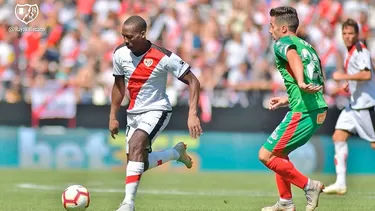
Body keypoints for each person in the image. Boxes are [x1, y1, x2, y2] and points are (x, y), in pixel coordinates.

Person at [109, 15, 202, 211]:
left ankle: (128, 204)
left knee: (136, 145)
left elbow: (193, 81)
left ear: (142, 34)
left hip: (157, 109)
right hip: (133, 113)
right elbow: (118, 86)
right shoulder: (119, 53)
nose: (125, 41)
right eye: (123, 36)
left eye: (130, 37)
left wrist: (192, 113)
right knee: (137, 162)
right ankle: (176, 153)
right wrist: (113, 116)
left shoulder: (163, 56)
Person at [258, 6, 328, 211]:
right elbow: (313, 80)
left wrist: (299, 82)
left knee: (265, 155)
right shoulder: (308, 46)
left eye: (272, 26)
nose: (270, 30)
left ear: (283, 28)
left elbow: (293, 58)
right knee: (279, 154)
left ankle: (309, 186)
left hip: (304, 112)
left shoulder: (284, 43)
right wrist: (287, 98)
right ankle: (286, 202)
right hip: (313, 107)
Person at [323, 18, 375, 195]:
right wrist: (346, 86)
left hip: (365, 107)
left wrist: (343, 76)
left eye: (350, 33)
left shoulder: (361, 50)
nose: (347, 36)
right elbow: (358, 77)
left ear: (357, 34)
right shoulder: (350, 51)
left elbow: (367, 75)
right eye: (344, 33)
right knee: (338, 136)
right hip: (353, 106)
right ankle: (341, 183)